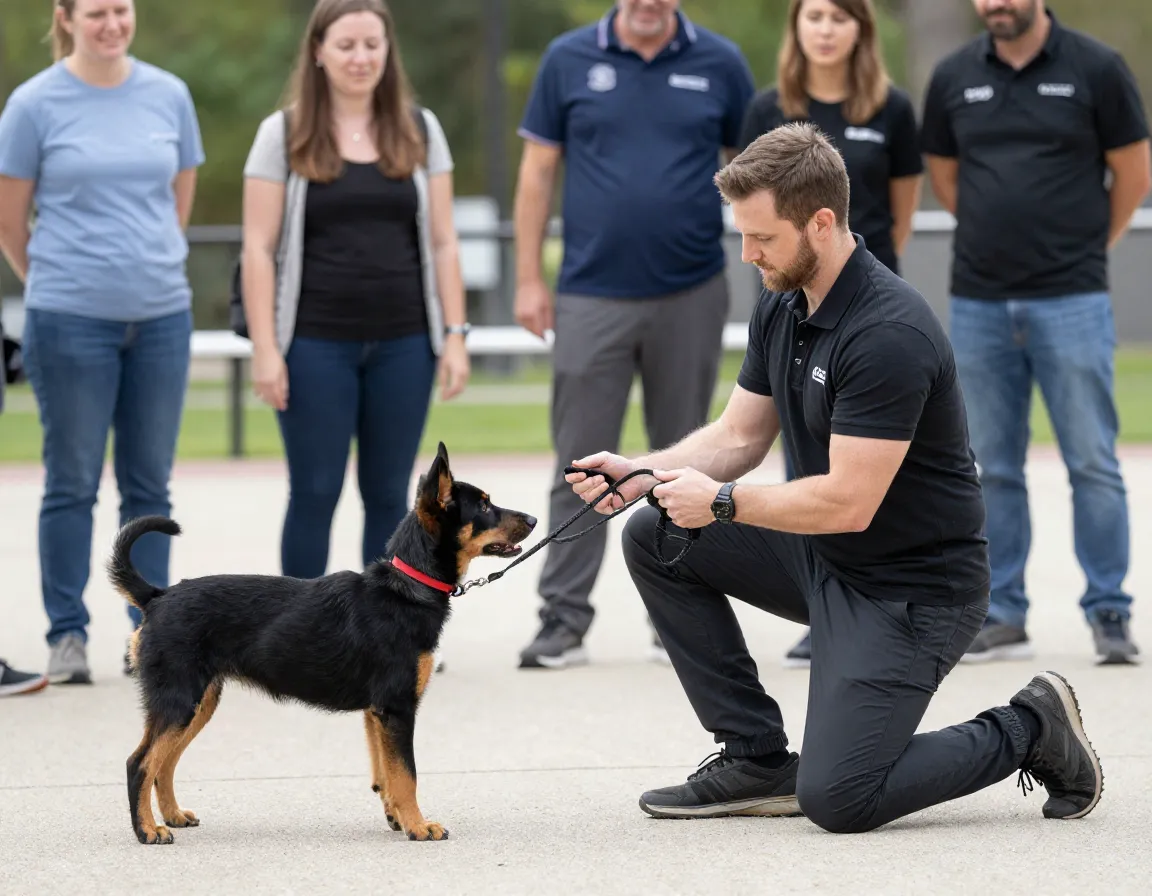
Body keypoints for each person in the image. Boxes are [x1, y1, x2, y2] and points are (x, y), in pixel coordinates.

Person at [564, 123, 1104, 832]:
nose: (749, 254)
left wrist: (719, 502)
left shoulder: (887, 333)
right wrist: (647, 472)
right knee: (656, 533)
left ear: (822, 222)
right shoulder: (783, 299)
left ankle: (1031, 726)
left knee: (841, 799)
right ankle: (755, 758)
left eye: (763, 238)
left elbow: (849, 501)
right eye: (744, 237)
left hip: (913, 592)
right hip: (830, 559)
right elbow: (738, 435)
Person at [512, 0, 756, 669]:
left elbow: (755, 168)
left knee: (686, 460)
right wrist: (529, 278)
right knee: (581, 461)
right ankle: (562, 619)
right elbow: (536, 174)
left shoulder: (720, 62)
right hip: (591, 292)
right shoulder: (568, 60)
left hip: (692, 290)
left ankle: (676, 614)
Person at [921, 0, 1150, 665]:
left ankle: (1110, 611)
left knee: (1093, 462)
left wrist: (1081, 249)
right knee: (990, 467)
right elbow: (946, 175)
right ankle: (1002, 611)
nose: (995, 4)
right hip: (980, 301)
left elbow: (1134, 175)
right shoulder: (954, 74)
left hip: (1072, 298)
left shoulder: (1097, 68)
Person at [0, 0, 204, 685]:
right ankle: (67, 633)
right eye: (96, 12)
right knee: (72, 481)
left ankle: (153, 630)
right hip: (68, 319)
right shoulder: (33, 104)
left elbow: (180, 198)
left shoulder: (169, 94)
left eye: (122, 9)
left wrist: (147, 267)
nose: (112, 22)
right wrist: (60, 282)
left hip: (161, 318)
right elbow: (9, 219)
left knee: (150, 483)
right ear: (65, 17)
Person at [240, 0, 470, 588]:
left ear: (388, 51)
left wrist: (454, 336)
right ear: (318, 52)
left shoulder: (421, 128)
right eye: (346, 45)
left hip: (404, 343)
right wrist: (266, 348)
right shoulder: (283, 133)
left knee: (389, 493)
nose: (361, 57)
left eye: (373, 44)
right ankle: (294, 632)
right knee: (315, 490)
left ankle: (387, 635)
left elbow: (445, 242)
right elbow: (258, 249)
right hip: (314, 343)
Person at [737, 0, 923, 670]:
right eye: (812, 15)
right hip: (798, 291)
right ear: (797, 28)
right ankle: (824, 606)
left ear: (860, 30)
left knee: (869, 455)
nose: (824, 28)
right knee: (804, 452)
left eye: (839, 17)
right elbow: (753, 198)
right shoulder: (767, 107)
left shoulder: (892, 109)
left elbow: (901, 209)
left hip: (866, 294)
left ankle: (889, 595)